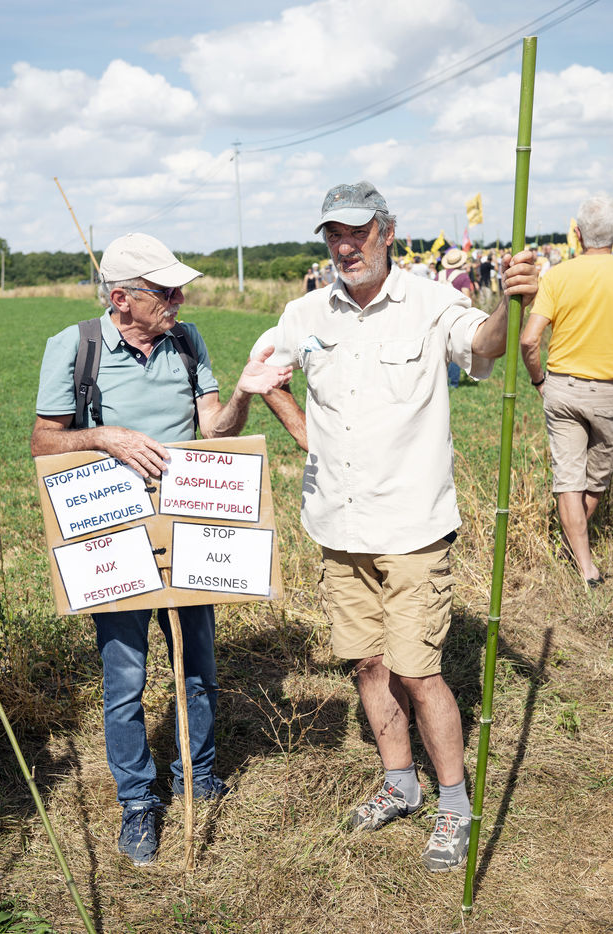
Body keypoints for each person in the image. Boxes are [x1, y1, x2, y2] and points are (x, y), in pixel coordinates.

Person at [252, 181, 538, 872]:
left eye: (357, 232)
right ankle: (399, 782)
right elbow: (264, 376)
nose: (345, 246)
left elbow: (484, 344)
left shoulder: (430, 301)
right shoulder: (302, 312)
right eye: (334, 234)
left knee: (418, 670)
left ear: (386, 231)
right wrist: (304, 433)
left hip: (412, 527)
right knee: (367, 663)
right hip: (337, 525)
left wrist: (511, 300)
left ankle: (454, 803)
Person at [31, 232, 291, 866]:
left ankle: (197, 775)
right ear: (122, 298)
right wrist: (107, 437)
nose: (179, 299)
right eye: (165, 291)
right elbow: (43, 442)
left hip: (189, 531)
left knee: (197, 668)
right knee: (125, 679)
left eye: (179, 289)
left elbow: (214, 430)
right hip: (113, 537)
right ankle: (138, 801)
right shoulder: (75, 347)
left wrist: (243, 393)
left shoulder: (188, 340)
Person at [520, 195, 613, 588]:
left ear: (577, 234)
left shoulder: (556, 276)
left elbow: (529, 340)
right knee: (596, 479)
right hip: (608, 392)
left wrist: (539, 380)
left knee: (568, 479)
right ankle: (580, 555)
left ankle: (580, 560)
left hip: (561, 386)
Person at [438, 249, 475, 389]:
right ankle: (453, 382)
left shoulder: (439, 275)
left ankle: (441, 380)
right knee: (454, 348)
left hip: (439, 313)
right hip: (455, 315)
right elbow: (466, 296)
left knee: (440, 349)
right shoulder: (463, 276)